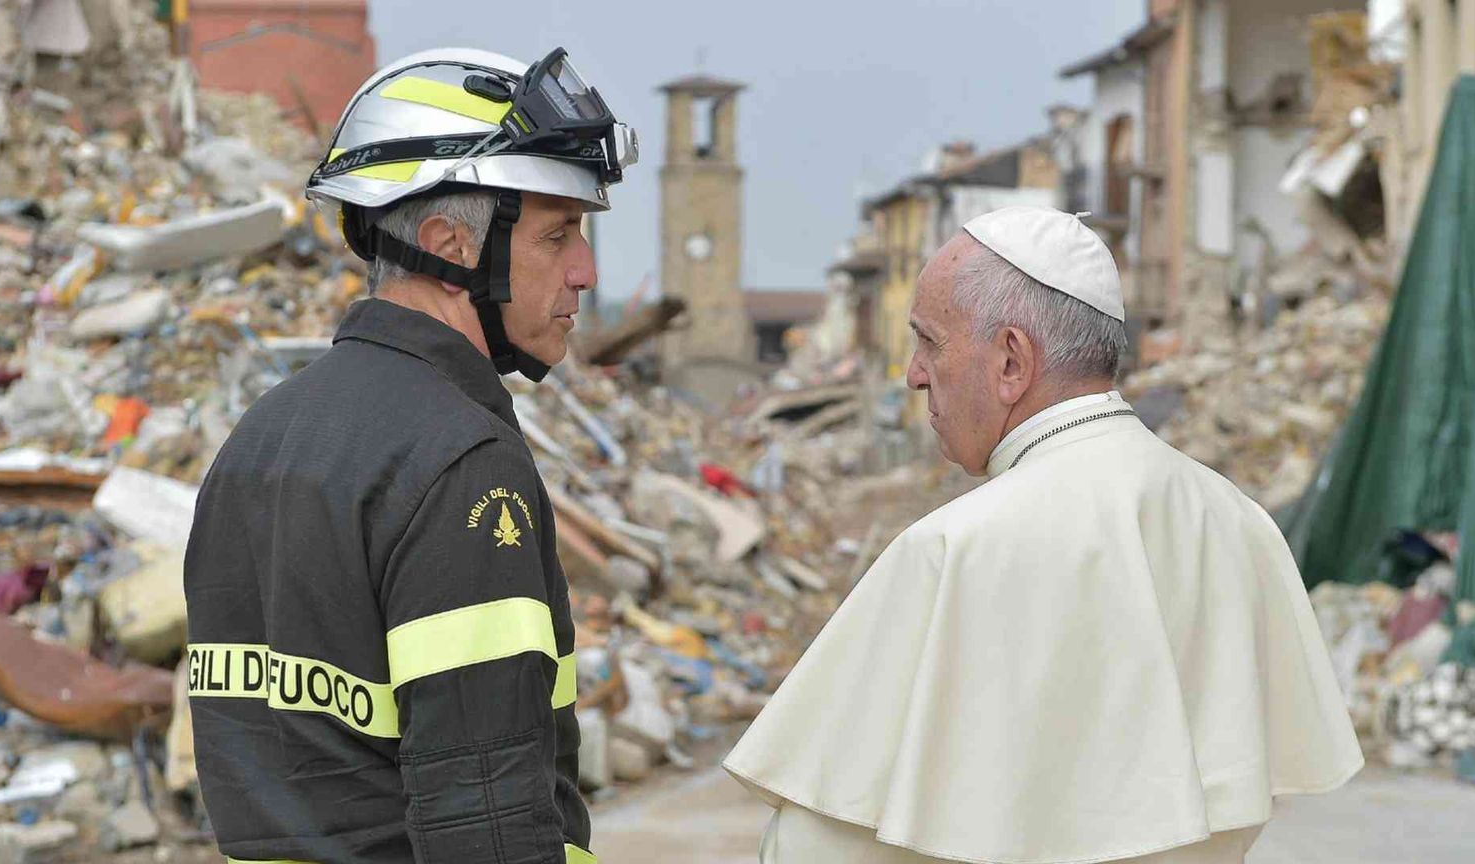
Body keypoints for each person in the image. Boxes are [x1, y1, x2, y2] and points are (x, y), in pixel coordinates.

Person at [723, 206, 1363, 864]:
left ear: (1011, 361)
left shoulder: (953, 548)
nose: (914, 373)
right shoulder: (1236, 519)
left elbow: (818, 844)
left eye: (929, 342)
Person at [183, 47, 636, 864]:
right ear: (447, 243)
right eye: (557, 234)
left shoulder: (259, 437)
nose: (584, 271)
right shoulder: (460, 462)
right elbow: (486, 822)